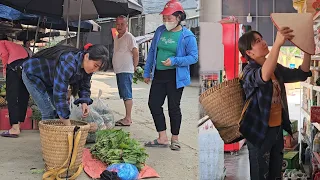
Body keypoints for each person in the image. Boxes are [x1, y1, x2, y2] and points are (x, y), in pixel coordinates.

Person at [238, 28, 312, 179]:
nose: (263, 42)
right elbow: (263, 76)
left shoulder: (275, 68)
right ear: (249, 53)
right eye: (257, 41)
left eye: (262, 38)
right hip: (259, 133)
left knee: (275, 175)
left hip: (276, 131)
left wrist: (308, 50)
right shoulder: (248, 72)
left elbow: (301, 73)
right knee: (260, 175)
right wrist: (277, 44)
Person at [143, 0, 198, 151]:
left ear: (179, 17)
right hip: (159, 75)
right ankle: (162, 137)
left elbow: (193, 57)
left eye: (170, 18)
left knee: (173, 107)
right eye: (164, 18)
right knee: (154, 104)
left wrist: (175, 60)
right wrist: (147, 72)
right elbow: (152, 52)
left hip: (175, 76)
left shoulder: (187, 36)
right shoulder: (160, 31)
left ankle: (175, 138)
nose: (166, 21)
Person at [21, 44, 109, 126]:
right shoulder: (68, 63)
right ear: (86, 56)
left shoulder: (88, 69)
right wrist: (68, 125)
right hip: (33, 73)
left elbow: (85, 86)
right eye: (95, 65)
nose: (95, 69)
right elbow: (60, 93)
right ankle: (49, 141)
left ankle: (57, 135)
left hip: (50, 79)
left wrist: (84, 102)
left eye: (98, 68)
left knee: (60, 110)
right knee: (48, 112)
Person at [0, 36, 30, 138]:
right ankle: (19, 123)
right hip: (26, 66)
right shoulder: (15, 45)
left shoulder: (1, 43)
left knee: (11, 96)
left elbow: (4, 55)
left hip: (13, 67)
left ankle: (14, 128)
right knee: (23, 94)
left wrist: (4, 70)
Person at [112, 15, 139, 127]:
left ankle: (128, 119)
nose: (119, 26)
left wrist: (135, 66)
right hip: (119, 71)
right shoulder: (117, 37)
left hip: (126, 70)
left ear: (126, 25)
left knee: (127, 94)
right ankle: (127, 117)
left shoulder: (129, 37)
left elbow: (135, 52)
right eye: (117, 24)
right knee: (124, 94)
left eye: (122, 24)